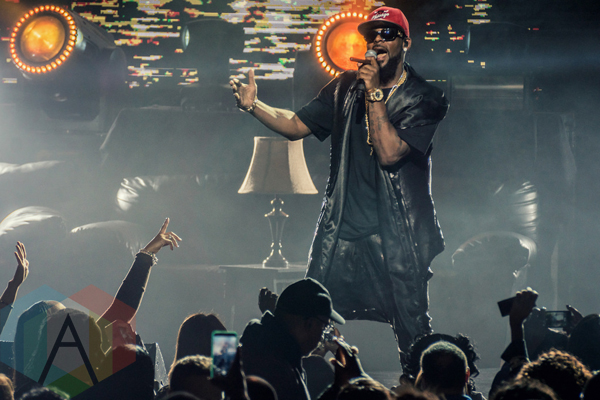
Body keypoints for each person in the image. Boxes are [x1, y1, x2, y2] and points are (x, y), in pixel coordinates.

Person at [230, 5, 449, 352]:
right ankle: (306, 374)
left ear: (405, 42)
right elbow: (295, 125)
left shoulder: (425, 98)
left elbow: (390, 153)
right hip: (341, 229)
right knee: (308, 319)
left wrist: (374, 92)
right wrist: (254, 106)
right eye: (371, 34)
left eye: (387, 34)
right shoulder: (346, 87)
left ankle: (424, 380)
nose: (377, 40)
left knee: (414, 331)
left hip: (397, 236)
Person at [239, 278, 345, 400]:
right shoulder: (278, 372)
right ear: (309, 324)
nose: (322, 336)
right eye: (324, 327)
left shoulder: (261, 349)